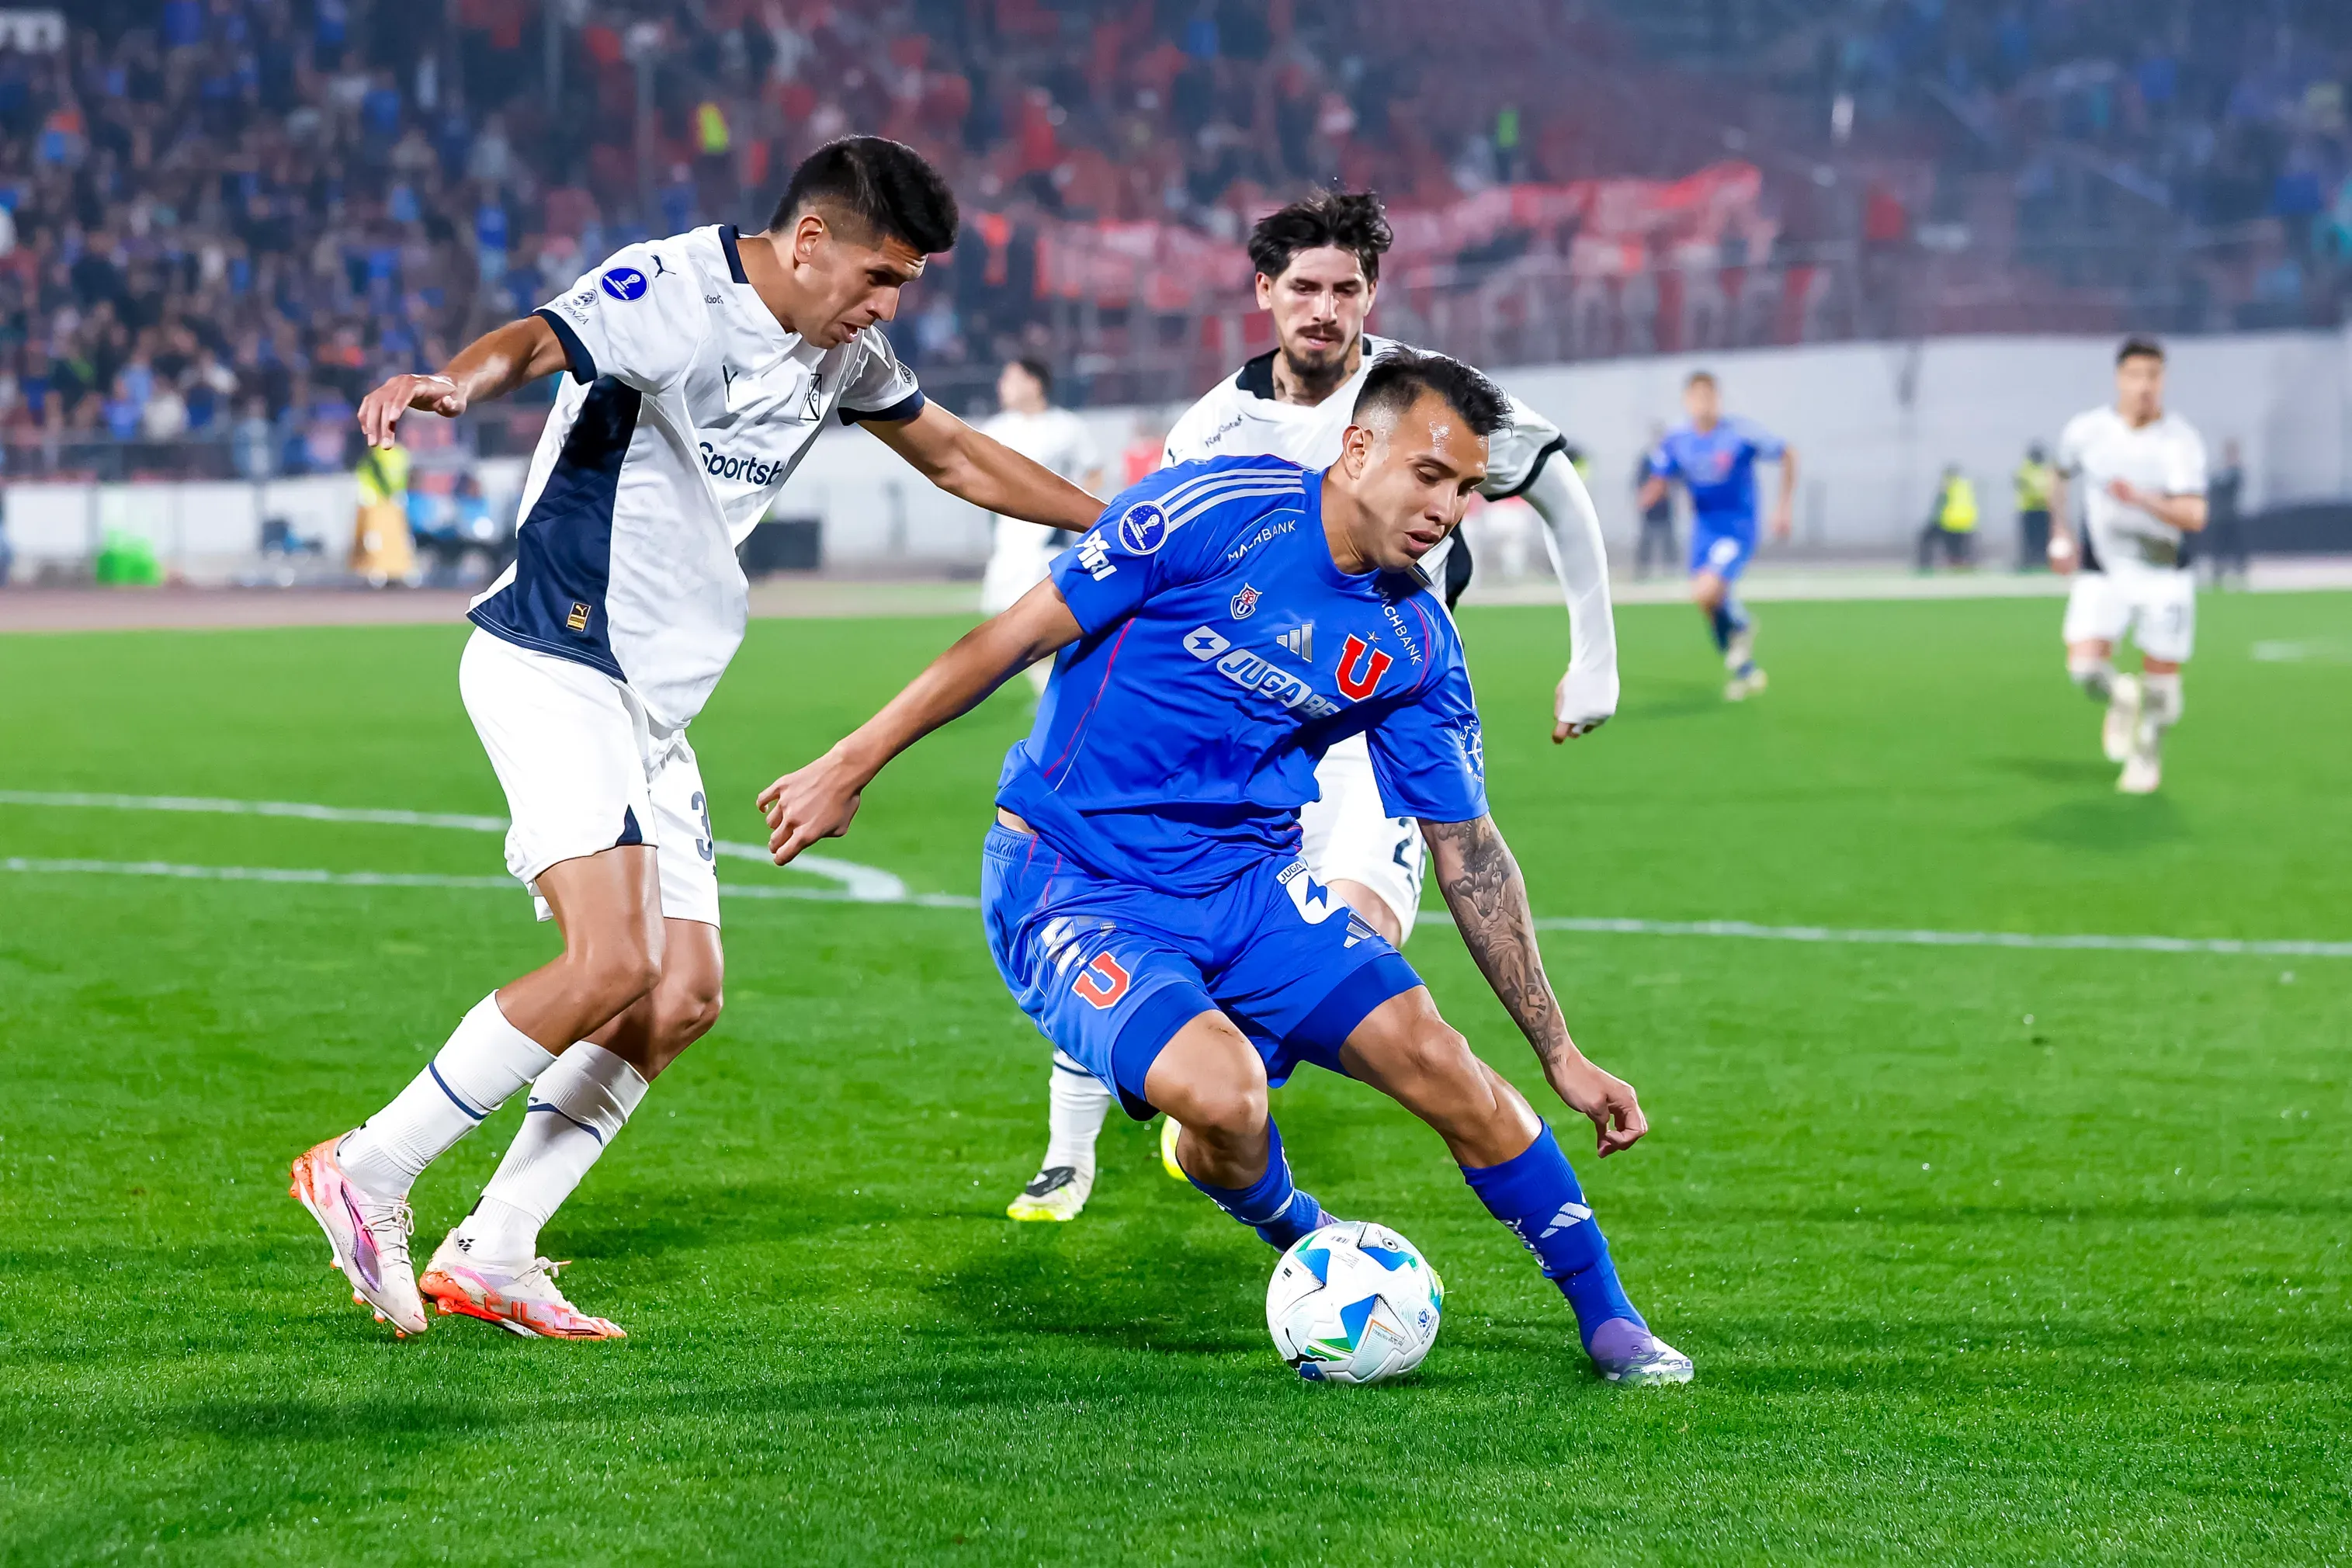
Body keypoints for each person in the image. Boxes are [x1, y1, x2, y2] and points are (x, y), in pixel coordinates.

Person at [289, 137, 1103, 1341]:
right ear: (809, 240)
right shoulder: (673, 288)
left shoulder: (844, 355)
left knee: (680, 998)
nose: (886, 308)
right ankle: (369, 1168)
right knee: (612, 962)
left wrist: (1139, 530)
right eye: (880, 277)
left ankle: (497, 1249)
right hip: (555, 655)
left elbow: (958, 455)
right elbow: (535, 339)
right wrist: (455, 383)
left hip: (651, 701)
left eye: (907, 287)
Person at [760, 349, 1691, 1386]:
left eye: (1468, 488)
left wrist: (1561, 1052)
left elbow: (1467, 850)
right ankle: (1298, 1227)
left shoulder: (1416, 639)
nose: (1449, 509)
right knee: (1229, 1098)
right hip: (1074, 883)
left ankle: (1609, 1321)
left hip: (1247, 894)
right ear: (1356, 449)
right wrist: (849, 764)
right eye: (1430, 475)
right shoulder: (1209, 511)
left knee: (1443, 1063)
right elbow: (1008, 638)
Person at [1003, 190, 1620, 1224]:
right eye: (1304, 287)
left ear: (1372, 292)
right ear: (1264, 293)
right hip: (1248, 728)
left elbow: (1553, 484)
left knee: (1361, 927)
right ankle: (1090, 1142)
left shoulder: (1421, 394)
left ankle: (1212, 1113)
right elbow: (1158, 571)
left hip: (1382, 719)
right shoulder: (1214, 427)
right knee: (1139, 908)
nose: (1324, 308)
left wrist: (1592, 657)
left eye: (1346, 287)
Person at [2049, 336, 2208, 795]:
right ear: (2119, 379)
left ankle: (2147, 756)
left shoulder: (2179, 442)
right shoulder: (2088, 432)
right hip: (2103, 570)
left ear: (2164, 381)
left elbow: (2195, 516)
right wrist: (2060, 533)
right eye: (2136, 376)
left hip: (2163, 573)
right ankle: (2120, 696)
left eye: (2153, 377)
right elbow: (2058, 475)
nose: (2144, 386)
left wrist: (2140, 498)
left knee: (2162, 685)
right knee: (2083, 670)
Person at [1636, 372, 1795, 701]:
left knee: (1708, 589)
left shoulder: (1738, 433)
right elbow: (1662, 474)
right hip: (1703, 531)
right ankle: (1746, 669)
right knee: (1705, 601)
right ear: (1687, 401)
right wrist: (1652, 492)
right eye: (1696, 397)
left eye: (1708, 397)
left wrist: (1783, 508)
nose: (1702, 404)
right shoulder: (1678, 440)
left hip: (1736, 529)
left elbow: (1788, 453)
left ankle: (1741, 625)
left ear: (1717, 399)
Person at [977, 357, 1104, 694]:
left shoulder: (1067, 428)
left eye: (1011, 378)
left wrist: (1072, 507)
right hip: (1010, 543)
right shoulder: (995, 431)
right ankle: (1052, 691)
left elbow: (1093, 469)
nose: (1002, 386)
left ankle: (1065, 691)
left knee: (1049, 623)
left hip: (1052, 541)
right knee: (1008, 625)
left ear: (1034, 383)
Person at [1916, 463, 1978, 571]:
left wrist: (1934, 519)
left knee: (1926, 538)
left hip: (1949, 521)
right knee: (1957, 548)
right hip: (1965, 522)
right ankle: (1960, 565)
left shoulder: (1947, 485)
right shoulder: (1965, 485)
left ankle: (1925, 566)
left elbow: (1940, 505)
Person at [1632, 426, 1677, 578]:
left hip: (1665, 504)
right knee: (1646, 537)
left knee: (1668, 537)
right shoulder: (1646, 458)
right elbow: (1639, 479)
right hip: (1650, 505)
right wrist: (1645, 496)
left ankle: (1671, 568)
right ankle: (1642, 569)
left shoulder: (1669, 457)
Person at [2204, 439, 2248, 588]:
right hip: (2218, 517)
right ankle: (2218, 576)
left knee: (2236, 548)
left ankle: (2241, 574)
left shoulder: (2236, 472)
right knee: (2219, 549)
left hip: (2230, 516)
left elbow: (2229, 488)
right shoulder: (2220, 472)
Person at [2014, 442, 2054, 570]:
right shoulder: (2025, 470)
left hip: (2044, 510)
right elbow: (2025, 487)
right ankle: (2029, 562)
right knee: (2030, 539)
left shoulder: (2047, 469)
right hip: (2029, 510)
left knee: (2044, 539)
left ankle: (2044, 562)